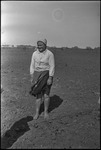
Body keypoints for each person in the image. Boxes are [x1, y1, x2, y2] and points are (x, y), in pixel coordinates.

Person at [30, 39, 55, 120]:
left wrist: (50, 77)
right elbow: (32, 65)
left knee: (46, 95)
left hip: (46, 75)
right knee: (38, 96)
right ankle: (37, 113)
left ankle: (46, 112)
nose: (39, 47)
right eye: (38, 45)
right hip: (37, 75)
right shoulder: (34, 53)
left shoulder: (50, 54)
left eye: (41, 45)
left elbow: (52, 66)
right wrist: (32, 76)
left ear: (45, 45)